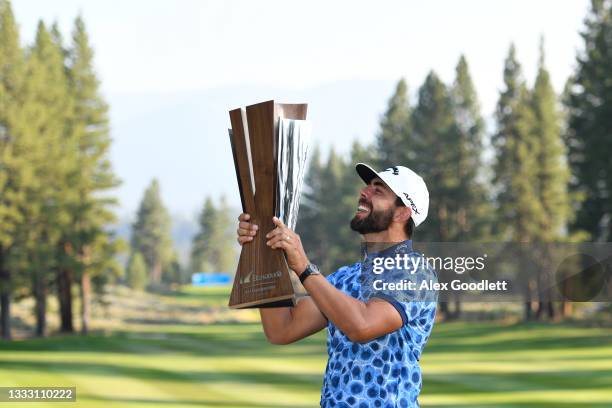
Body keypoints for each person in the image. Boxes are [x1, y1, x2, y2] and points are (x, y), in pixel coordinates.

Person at [236, 163, 438, 408]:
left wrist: (304, 267)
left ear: (402, 213)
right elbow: (281, 329)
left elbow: (362, 326)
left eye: (379, 190)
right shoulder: (345, 278)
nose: (365, 192)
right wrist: (260, 249)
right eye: (368, 186)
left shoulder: (416, 273)